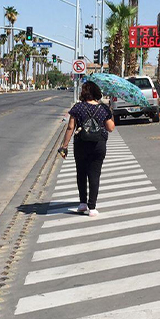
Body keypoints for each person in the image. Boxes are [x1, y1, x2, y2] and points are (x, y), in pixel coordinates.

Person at [57, 81, 115, 217]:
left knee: (81, 172)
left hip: (81, 144)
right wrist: (110, 113)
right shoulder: (103, 109)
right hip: (98, 145)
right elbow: (110, 128)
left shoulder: (77, 108)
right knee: (95, 174)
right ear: (96, 93)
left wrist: (64, 146)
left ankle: (83, 203)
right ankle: (92, 208)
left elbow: (70, 127)